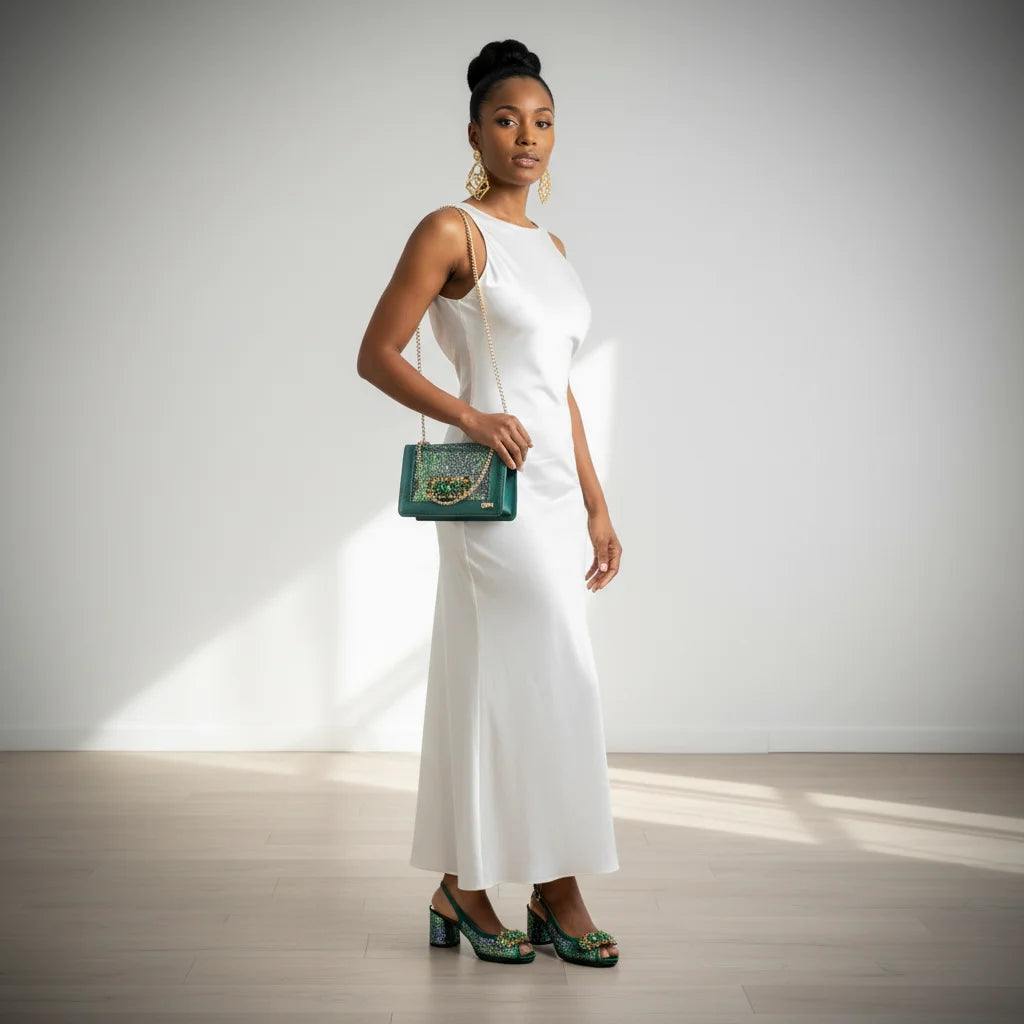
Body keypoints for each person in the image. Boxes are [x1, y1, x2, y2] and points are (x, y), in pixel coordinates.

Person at [356, 39, 623, 967]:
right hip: (491, 497)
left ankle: (468, 886)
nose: (527, 137)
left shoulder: (552, 249)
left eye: (543, 122)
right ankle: (550, 888)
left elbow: (560, 390)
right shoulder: (451, 231)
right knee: (543, 680)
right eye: (507, 120)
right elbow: (376, 353)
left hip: (552, 493)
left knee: (521, 683)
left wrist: (595, 503)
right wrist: (469, 415)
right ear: (475, 132)